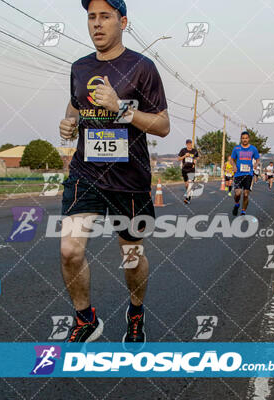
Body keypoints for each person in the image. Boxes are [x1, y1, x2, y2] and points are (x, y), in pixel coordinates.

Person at [58, 0, 170, 343]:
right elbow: (75, 105)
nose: (97, 24)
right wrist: (69, 124)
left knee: (131, 254)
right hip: (86, 173)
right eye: (91, 17)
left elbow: (163, 125)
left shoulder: (142, 67)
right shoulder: (79, 67)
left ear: (123, 21)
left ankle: (135, 311)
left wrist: (119, 107)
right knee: (69, 250)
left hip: (129, 177)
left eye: (105, 16)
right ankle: (86, 318)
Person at [230, 131, 260, 215]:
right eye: (243, 138)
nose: (244, 140)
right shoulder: (236, 148)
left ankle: (243, 211)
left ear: (248, 139)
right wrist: (234, 166)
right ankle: (237, 204)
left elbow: (257, 159)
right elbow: (232, 159)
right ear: (241, 139)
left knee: (246, 194)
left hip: (248, 174)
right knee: (237, 193)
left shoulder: (253, 149)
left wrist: (256, 164)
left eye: (246, 138)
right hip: (238, 174)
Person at [178, 139, 199, 204]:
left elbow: (197, 157)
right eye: (188, 144)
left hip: (191, 169)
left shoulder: (194, 151)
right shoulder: (183, 150)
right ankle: (189, 194)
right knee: (187, 185)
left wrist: (195, 160)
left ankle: (187, 198)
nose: (189, 145)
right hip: (184, 169)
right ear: (186, 144)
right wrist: (185, 156)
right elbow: (179, 159)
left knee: (190, 183)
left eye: (190, 144)